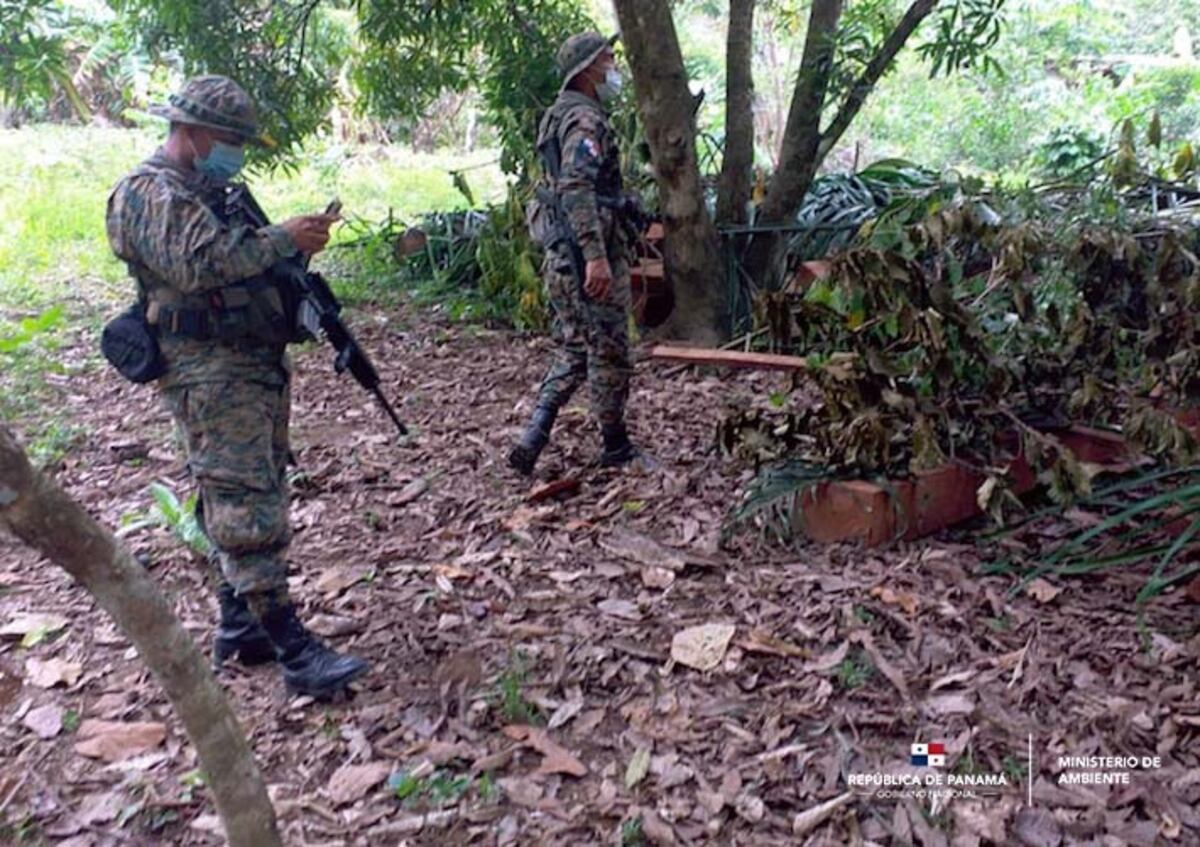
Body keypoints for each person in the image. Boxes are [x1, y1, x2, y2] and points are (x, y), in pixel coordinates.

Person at [105, 75, 366, 699]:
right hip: (207, 370)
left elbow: (245, 258)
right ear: (189, 132)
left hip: (247, 363)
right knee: (244, 497)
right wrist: (282, 237)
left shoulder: (209, 190)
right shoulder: (148, 194)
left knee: (250, 482)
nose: (235, 152)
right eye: (227, 139)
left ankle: (238, 627)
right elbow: (202, 264)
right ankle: (294, 649)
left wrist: (289, 255)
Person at [508, 32, 654, 476]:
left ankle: (533, 437)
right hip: (584, 256)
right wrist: (595, 257)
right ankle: (615, 447)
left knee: (576, 347)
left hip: (562, 254)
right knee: (609, 350)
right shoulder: (586, 122)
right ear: (589, 69)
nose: (614, 65)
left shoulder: (557, 116)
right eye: (609, 58)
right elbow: (575, 186)